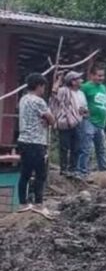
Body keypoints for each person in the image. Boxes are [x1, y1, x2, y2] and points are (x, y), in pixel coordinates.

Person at [16, 73, 55, 216]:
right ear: (39, 86)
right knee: (40, 174)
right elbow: (51, 120)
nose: (44, 89)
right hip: (36, 141)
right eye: (43, 86)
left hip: (23, 140)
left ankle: (23, 203)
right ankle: (39, 203)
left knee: (25, 174)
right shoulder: (38, 101)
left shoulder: (23, 99)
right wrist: (48, 119)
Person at [50, 70, 87, 176]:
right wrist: (59, 79)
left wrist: (84, 112)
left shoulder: (81, 94)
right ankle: (64, 169)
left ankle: (73, 168)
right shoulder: (63, 91)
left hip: (78, 121)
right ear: (73, 82)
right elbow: (54, 93)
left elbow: (83, 108)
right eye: (78, 79)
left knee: (77, 147)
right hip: (65, 122)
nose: (81, 80)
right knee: (64, 146)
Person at [77, 66, 106, 176]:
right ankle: (82, 172)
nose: (101, 78)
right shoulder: (85, 87)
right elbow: (78, 101)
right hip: (89, 121)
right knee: (86, 148)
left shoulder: (103, 88)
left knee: (101, 149)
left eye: (103, 75)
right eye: (99, 75)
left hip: (101, 123)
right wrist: (84, 113)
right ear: (92, 75)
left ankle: (104, 172)